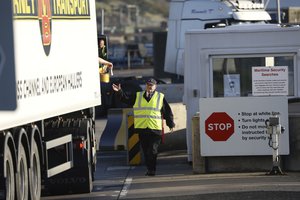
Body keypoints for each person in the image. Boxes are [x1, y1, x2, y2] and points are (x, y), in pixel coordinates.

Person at [112, 78, 175, 176]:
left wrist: (170, 123)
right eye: (148, 85)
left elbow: (167, 112)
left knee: (152, 150)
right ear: (146, 85)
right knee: (146, 151)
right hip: (142, 129)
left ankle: (152, 170)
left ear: (155, 87)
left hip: (155, 130)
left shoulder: (160, 97)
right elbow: (126, 99)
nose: (150, 87)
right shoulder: (138, 96)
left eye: (152, 85)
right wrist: (119, 92)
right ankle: (149, 169)